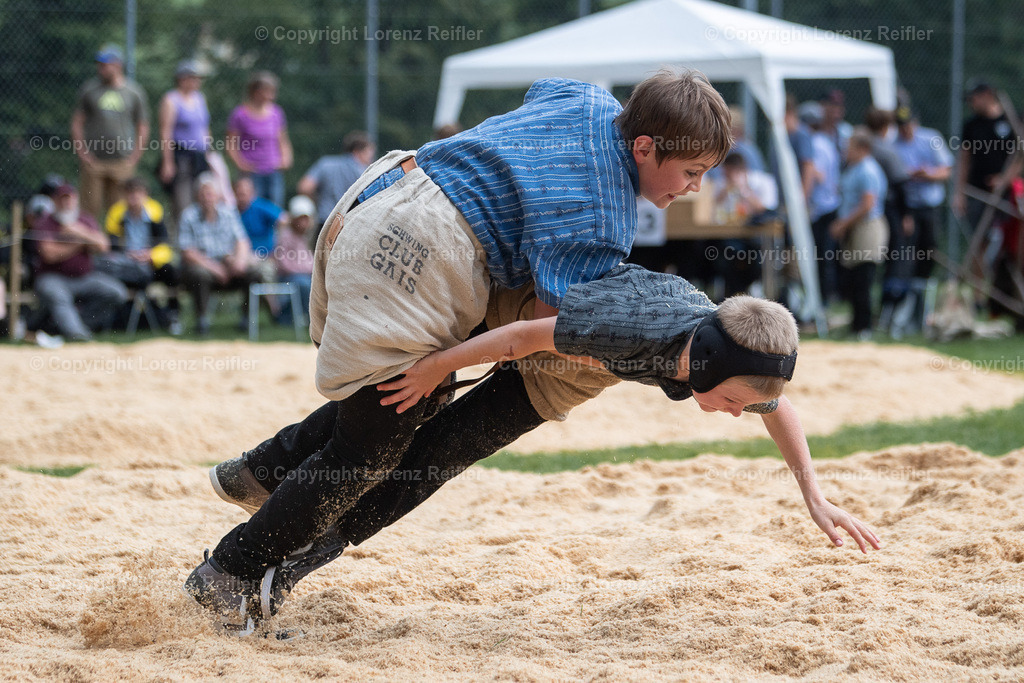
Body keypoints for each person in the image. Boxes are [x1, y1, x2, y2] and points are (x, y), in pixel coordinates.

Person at [183, 69, 736, 632]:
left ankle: (261, 470)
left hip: (385, 189)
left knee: (394, 403)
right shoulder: (604, 217)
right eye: (691, 172)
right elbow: (546, 329)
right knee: (372, 447)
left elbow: (542, 88)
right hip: (423, 250)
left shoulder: (589, 99)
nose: (694, 187)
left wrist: (517, 177)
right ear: (644, 147)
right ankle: (229, 573)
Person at [194, 265, 881, 634]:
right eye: (731, 400)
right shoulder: (630, 326)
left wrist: (813, 492)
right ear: (702, 364)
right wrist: (440, 368)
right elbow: (524, 340)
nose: (738, 414)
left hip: (563, 381)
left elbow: (775, 403)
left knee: (428, 467)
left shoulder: (729, 356)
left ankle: (279, 571)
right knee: (401, 411)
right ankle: (262, 478)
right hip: (530, 326)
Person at [33, 184, 129, 341]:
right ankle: (78, 336)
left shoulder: (85, 219)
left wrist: (79, 232)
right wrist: (80, 243)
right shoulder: (46, 222)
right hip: (53, 278)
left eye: (69, 199)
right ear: (55, 201)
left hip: (85, 277)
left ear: (76, 199)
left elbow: (103, 246)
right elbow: (49, 254)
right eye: (62, 199)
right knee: (57, 295)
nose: (66, 203)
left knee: (116, 292)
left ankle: (76, 327)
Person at [178, 173, 264, 335]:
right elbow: (187, 252)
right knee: (199, 274)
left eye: (210, 193)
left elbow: (242, 241)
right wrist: (215, 268)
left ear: (217, 195)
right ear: (197, 196)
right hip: (205, 267)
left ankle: (248, 318)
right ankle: (202, 320)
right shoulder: (188, 216)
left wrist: (239, 261)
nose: (207, 198)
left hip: (229, 265)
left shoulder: (229, 213)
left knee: (254, 272)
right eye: (203, 193)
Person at [891, 107, 953, 333]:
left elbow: (946, 170)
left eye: (908, 125)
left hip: (929, 207)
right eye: (901, 126)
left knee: (929, 253)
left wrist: (928, 174)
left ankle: (923, 305)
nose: (905, 130)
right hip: (907, 207)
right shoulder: (894, 144)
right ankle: (902, 311)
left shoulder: (931, 138)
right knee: (905, 256)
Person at [70, 44, 150, 220]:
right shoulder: (89, 89)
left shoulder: (133, 92)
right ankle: (90, 248)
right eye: (99, 64)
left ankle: (117, 247)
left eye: (105, 64)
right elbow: (77, 123)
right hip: (94, 162)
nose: (101, 69)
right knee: (89, 211)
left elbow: (143, 125)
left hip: (122, 162)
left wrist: (135, 156)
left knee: (120, 213)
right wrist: (83, 153)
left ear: (118, 65)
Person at [100, 177, 181, 332]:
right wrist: (128, 255)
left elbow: (164, 243)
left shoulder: (155, 212)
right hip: (127, 264)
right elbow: (112, 245)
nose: (134, 198)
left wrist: (150, 255)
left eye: (138, 193)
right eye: (130, 194)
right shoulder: (117, 214)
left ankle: (173, 315)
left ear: (145, 195)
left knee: (172, 272)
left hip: (151, 262)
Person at [830, 131, 888, 339]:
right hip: (857, 228)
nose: (846, 151)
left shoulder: (868, 170)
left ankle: (865, 327)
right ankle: (856, 325)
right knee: (853, 279)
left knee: (863, 278)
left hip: (867, 228)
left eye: (850, 147)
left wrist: (843, 223)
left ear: (862, 148)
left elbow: (868, 204)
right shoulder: (855, 168)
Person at [952, 79, 1023, 232]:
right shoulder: (971, 126)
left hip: (1008, 193)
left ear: (987, 95)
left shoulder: (1015, 121)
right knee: (979, 240)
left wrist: (1004, 179)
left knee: (1010, 238)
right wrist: (959, 193)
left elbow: (1021, 157)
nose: (971, 103)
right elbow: (964, 159)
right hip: (978, 192)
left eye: (974, 98)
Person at [863, 106, 912, 320]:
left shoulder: (861, 146)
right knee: (895, 258)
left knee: (868, 262)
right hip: (889, 211)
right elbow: (901, 185)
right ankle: (888, 309)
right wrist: (906, 215)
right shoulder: (886, 150)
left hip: (866, 213)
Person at [226, 71, 292, 207]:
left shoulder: (276, 113)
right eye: (268, 91)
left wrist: (286, 158)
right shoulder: (240, 114)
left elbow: (282, 140)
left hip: (273, 171)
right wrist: (241, 164)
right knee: (252, 209)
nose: (272, 95)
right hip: (251, 174)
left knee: (274, 211)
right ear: (256, 92)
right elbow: (230, 145)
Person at [158, 60, 211, 222]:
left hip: (200, 156)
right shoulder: (171, 100)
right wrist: (167, 162)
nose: (197, 82)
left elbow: (205, 127)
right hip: (181, 157)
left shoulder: (199, 98)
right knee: (183, 203)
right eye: (193, 78)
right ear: (182, 79)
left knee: (204, 199)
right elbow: (165, 132)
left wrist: (209, 152)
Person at [801, 101, 842, 306]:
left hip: (820, 207)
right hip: (831, 204)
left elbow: (818, 174)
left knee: (819, 258)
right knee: (826, 256)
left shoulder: (813, 144)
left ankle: (821, 300)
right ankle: (826, 298)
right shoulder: (827, 141)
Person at [297, 131, 376, 228]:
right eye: (369, 153)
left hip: (325, 223)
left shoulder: (325, 164)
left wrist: (317, 201)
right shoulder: (364, 174)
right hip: (349, 226)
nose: (371, 159)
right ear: (357, 152)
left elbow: (304, 187)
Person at [274, 195, 316, 325]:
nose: (304, 223)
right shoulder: (285, 236)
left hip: (302, 276)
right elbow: (284, 265)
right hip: (288, 279)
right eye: (301, 219)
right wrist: (308, 269)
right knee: (304, 284)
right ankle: (311, 320)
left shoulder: (305, 237)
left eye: (306, 219)